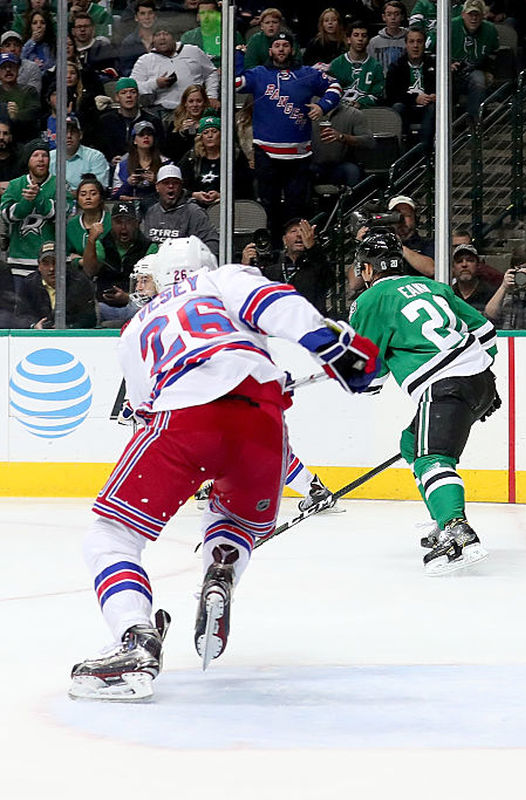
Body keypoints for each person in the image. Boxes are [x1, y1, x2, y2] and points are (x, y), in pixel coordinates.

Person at [67, 236, 380, 701]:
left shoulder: (134, 328)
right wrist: (334, 349)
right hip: (262, 421)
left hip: (182, 421)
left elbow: (142, 410)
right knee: (236, 521)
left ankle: (134, 638)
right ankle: (221, 572)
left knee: (110, 536)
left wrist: (193, 445)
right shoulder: (223, 277)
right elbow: (275, 303)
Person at [348, 230, 500, 575]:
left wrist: (359, 380)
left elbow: (367, 371)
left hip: (443, 386)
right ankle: (442, 518)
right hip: (481, 381)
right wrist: (480, 382)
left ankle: (457, 531)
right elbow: (486, 334)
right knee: (411, 443)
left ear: (369, 269)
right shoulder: (435, 286)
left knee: (433, 459)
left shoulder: (371, 301)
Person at [236, 31, 341, 236]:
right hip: (266, 154)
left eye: (285, 45)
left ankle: (298, 250)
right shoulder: (259, 74)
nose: (281, 49)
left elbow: (335, 86)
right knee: (269, 206)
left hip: (299, 155)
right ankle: (274, 251)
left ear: (292, 49)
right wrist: (239, 56)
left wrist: (322, 106)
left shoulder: (308, 73)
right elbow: (237, 83)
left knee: (297, 207)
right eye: (277, 46)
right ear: (270, 50)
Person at [80, 200, 155, 325]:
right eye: (119, 222)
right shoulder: (102, 244)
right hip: (104, 306)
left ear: (137, 224)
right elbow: (89, 271)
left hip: (136, 307)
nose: (124, 227)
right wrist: (91, 240)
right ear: (112, 224)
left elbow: (151, 287)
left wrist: (127, 297)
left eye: (128, 222)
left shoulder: (149, 247)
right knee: (90, 311)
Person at [242, 217, 334, 315]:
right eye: (293, 231)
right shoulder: (272, 267)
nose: (299, 235)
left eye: (303, 231)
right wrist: (245, 266)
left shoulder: (317, 263)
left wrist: (312, 248)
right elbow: (249, 292)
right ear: (284, 240)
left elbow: (329, 279)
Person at [129, 27, 219, 116]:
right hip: (159, 112)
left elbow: (211, 73)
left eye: (166, 34)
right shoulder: (145, 60)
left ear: (174, 37)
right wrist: (156, 84)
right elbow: (132, 87)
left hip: (194, 109)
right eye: (157, 35)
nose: (162, 38)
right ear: (152, 39)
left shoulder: (193, 51)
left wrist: (212, 96)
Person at [0, 140, 56, 277]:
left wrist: (39, 199)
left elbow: (60, 215)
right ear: (28, 160)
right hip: (19, 263)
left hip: (52, 264)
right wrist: (25, 203)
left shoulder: (59, 184)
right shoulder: (15, 185)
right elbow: (5, 215)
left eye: (44, 155)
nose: (41, 159)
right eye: (35, 155)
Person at [14, 240, 97, 329]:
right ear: (39, 266)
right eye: (46, 263)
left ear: (64, 264)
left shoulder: (80, 282)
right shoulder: (28, 284)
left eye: (55, 262)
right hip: (38, 337)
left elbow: (89, 319)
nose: (51, 268)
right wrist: (34, 325)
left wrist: (68, 327)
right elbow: (20, 317)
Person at [141, 163, 219, 253]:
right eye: (166, 183)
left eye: (175, 183)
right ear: (157, 187)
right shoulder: (152, 211)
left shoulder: (194, 212)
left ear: (181, 186)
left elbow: (213, 244)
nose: (170, 186)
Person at [384, 24, 435, 149]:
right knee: (397, 107)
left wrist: (436, 94)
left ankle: (425, 151)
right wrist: (415, 99)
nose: (415, 46)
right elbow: (391, 94)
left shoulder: (434, 64)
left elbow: (447, 88)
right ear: (406, 45)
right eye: (411, 42)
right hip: (406, 106)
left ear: (424, 44)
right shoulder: (396, 66)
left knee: (435, 108)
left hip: (428, 106)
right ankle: (402, 149)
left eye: (419, 42)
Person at [94, 76, 165, 161]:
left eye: (133, 92)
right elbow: (99, 148)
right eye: (123, 93)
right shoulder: (106, 120)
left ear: (138, 96)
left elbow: (160, 149)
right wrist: (110, 159)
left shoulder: (152, 121)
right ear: (117, 97)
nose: (129, 96)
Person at [450, 0, 499, 119]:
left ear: (483, 16)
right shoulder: (450, 26)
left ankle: (474, 124)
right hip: (449, 71)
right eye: (470, 14)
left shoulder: (490, 30)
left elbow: (493, 54)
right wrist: (447, 64)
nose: (473, 18)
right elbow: (431, 50)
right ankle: (448, 125)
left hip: (474, 69)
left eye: (477, 15)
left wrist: (489, 71)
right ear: (462, 14)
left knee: (479, 80)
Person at [309, 98, 373, 189]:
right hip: (311, 163)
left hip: (342, 164)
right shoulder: (303, 113)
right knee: (299, 171)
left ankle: (351, 202)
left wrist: (343, 137)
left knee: (352, 171)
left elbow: (369, 142)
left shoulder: (353, 113)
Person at [109, 119, 171, 208]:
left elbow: (173, 192)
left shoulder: (167, 164)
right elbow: (115, 196)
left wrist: (157, 182)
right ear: (134, 140)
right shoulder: (122, 166)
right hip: (130, 210)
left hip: (159, 208)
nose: (146, 137)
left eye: (149, 134)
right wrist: (128, 183)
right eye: (141, 135)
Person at [327, 19, 385, 110]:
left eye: (364, 36)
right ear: (348, 39)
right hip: (339, 111)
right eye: (356, 35)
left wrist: (360, 104)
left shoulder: (375, 66)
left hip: (367, 112)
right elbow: (329, 92)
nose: (360, 39)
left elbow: (377, 96)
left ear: (368, 40)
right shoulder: (336, 64)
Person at [46, 113, 110, 192]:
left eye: (73, 132)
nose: (69, 136)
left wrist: (70, 195)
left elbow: (99, 189)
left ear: (80, 135)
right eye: (65, 132)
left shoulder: (95, 157)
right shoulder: (48, 157)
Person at [162, 83, 215, 161]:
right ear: (185, 104)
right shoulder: (175, 124)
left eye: (199, 101)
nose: (195, 105)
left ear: (204, 103)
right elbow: (168, 152)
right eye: (191, 101)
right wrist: (181, 134)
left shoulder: (212, 123)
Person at [450, 242, 499, 313]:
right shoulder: (449, 294)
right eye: (459, 261)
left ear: (478, 265)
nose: (464, 264)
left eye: (470, 260)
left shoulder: (492, 293)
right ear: (453, 268)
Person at [368, 1, 409, 76]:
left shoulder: (409, 39)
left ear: (402, 17)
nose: (393, 18)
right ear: (384, 17)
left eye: (397, 14)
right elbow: (370, 65)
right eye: (389, 14)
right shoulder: (374, 42)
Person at [118, 0, 158, 75]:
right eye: (142, 14)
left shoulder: (163, 39)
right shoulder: (128, 42)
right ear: (136, 18)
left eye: (150, 13)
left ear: (155, 16)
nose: (147, 17)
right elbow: (126, 71)